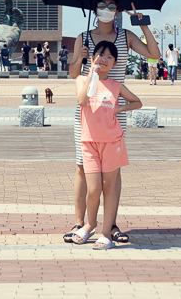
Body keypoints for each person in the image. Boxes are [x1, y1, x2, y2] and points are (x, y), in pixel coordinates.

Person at [65, 0, 160, 245]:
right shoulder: (83, 38)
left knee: (112, 173)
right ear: (94, 9)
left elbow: (154, 54)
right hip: (87, 112)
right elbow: (73, 73)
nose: (105, 9)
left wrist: (142, 24)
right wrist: (80, 57)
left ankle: (110, 224)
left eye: (111, 6)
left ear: (117, 11)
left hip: (113, 110)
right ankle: (80, 222)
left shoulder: (125, 37)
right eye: (101, 5)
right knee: (82, 166)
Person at [73, 40, 142, 249]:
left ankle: (106, 234)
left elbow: (137, 102)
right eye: (100, 55)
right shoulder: (82, 80)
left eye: (109, 57)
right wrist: (91, 74)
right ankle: (90, 224)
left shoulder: (116, 85)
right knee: (93, 189)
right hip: (89, 143)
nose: (104, 59)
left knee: (109, 187)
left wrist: (119, 110)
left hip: (112, 142)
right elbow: (82, 101)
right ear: (92, 57)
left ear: (114, 64)